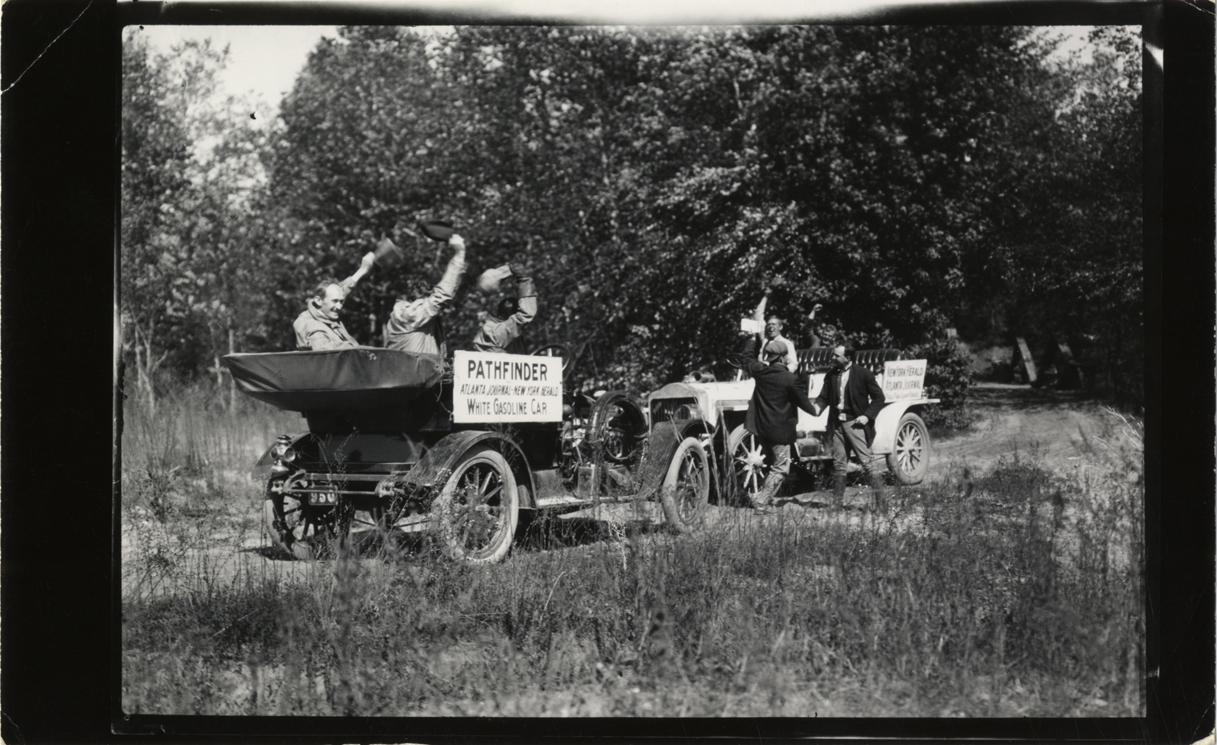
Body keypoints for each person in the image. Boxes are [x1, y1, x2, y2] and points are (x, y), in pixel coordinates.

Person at [739, 334, 818, 508]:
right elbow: (805, 404)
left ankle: (763, 496)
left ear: (769, 356)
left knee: (772, 463)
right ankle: (761, 501)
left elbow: (746, 359)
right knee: (781, 468)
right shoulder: (790, 379)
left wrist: (751, 340)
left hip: (761, 430)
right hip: (780, 433)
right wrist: (816, 410)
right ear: (783, 358)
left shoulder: (760, 371)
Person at [812, 344, 888, 510]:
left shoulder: (864, 374)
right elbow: (824, 397)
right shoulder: (831, 375)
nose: (832, 358)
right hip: (837, 426)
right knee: (839, 465)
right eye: (833, 355)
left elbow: (879, 398)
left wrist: (866, 416)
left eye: (836, 356)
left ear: (848, 358)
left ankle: (882, 506)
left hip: (855, 425)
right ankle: (836, 505)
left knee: (868, 464)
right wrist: (816, 408)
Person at [385, 233, 467, 357]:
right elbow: (442, 295)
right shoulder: (411, 315)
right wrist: (460, 253)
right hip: (414, 369)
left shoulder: (398, 316)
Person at [293, 251, 376, 351]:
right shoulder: (310, 325)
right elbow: (327, 352)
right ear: (319, 301)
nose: (339, 306)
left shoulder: (325, 307)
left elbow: (342, 290)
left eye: (341, 301)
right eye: (335, 301)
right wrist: (365, 351)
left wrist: (363, 269)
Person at [472, 263, 536, 354]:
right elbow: (525, 315)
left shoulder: (505, 333)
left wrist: (508, 270)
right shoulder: (494, 331)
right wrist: (524, 280)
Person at [753, 287, 800, 372]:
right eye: (769, 324)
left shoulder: (787, 343)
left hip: (777, 374)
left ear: (780, 327)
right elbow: (758, 316)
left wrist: (781, 373)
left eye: (774, 324)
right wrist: (766, 297)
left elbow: (793, 364)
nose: (771, 326)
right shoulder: (765, 339)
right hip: (761, 374)